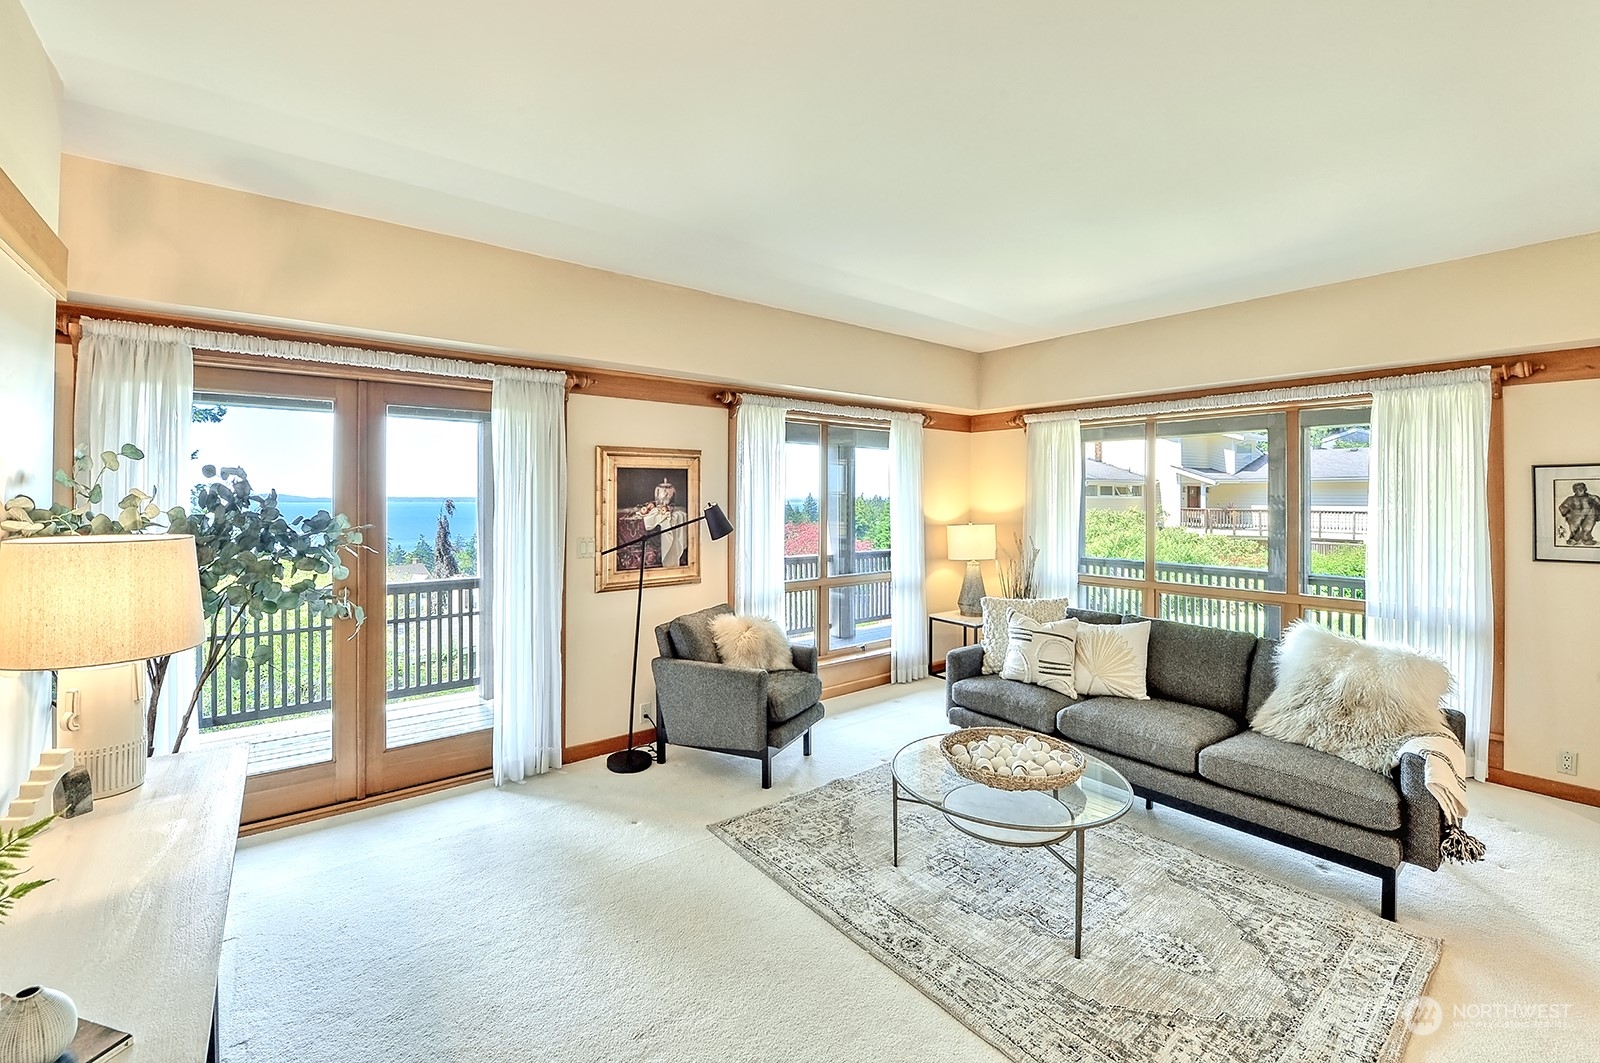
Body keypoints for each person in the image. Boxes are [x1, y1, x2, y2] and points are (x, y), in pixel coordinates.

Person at [1558, 481, 1600, 547]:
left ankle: (1586, 539)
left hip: (1589, 515)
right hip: (1575, 516)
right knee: (1574, 528)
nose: (1578, 491)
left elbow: (1599, 505)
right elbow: (1563, 507)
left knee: (1587, 528)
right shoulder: (1570, 499)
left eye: (1580, 489)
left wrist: (1597, 514)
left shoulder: (1592, 498)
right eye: (1576, 490)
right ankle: (1574, 539)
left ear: (1585, 489)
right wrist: (1567, 513)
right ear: (1574, 491)